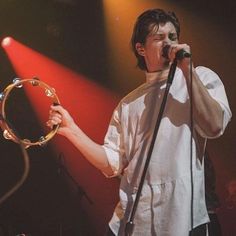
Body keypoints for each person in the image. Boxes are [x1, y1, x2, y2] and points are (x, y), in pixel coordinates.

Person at [47, 8, 232, 236]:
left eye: (173, 37)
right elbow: (111, 163)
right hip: (134, 220)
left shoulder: (200, 77)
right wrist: (72, 130)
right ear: (141, 48)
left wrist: (187, 70)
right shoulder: (129, 104)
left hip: (183, 218)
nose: (169, 43)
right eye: (159, 38)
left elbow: (215, 125)